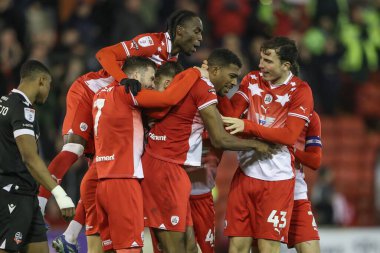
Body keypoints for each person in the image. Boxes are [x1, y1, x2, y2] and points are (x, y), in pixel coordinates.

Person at [46, 9, 204, 253]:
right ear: (179, 31)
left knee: (103, 166)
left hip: (121, 106)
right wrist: (122, 80)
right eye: (196, 31)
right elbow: (105, 54)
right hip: (92, 90)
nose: (200, 38)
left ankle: (70, 236)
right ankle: (38, 207)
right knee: (75, 149)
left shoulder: (172, 64)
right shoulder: (154, 43)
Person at [142, 48, 273, 253]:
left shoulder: (214, 100)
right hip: (167, 174)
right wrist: (258, 144)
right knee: (172, 248)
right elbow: (220, 139)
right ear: (215, 70)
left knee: (192, 249)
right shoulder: (194, 88)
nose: (233, 83)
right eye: (231, 76)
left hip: (197, 189)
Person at [93, 57, 207, 252]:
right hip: (124, 178)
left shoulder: (100, 94)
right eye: (151, 78)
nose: (152, 84)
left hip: (103, 179)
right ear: (136, 76)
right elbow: (167, 100)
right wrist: (195, 72)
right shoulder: (128, 92)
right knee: (131, 249)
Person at [218, 37, 314, 253]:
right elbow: (232, 114)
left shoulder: (300, 91)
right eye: (261, 59)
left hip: (277, 180)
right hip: (245, 175)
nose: (261, 65)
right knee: (237, 247)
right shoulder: (252, 80)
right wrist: (217, 86)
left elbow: (289, 136)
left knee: (267, 248)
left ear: (286, 65)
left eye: (268, 61)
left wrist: (248, 126)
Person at [0, 60, 75, 253]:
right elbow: (30, 158)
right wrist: (60, 194)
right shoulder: (23, 110)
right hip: (14, 194)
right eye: (49, 85)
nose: (48, 92)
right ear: (41, 80)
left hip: (26, 196)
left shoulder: (4, 103)